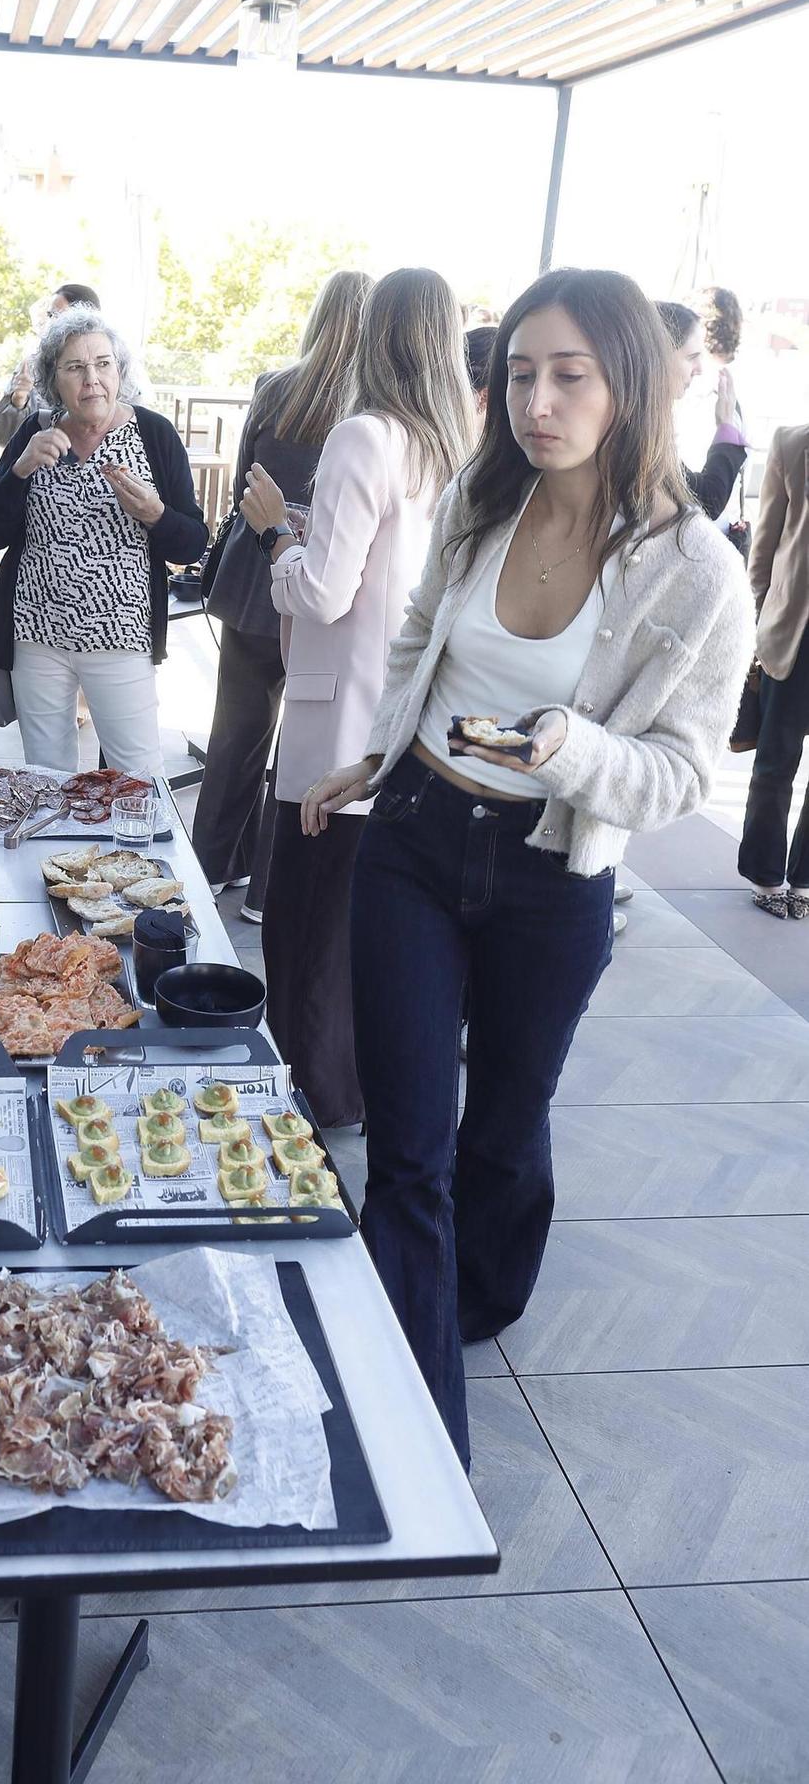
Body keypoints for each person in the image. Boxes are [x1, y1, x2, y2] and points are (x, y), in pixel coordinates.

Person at [303, 268, 754, 1465]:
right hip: (412, 839)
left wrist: (571, 748)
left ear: (631, 387)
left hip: (552, 875)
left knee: (503, 1128)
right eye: (516, 375)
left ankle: (480, 1291)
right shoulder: (476, 501)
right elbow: (415, 636)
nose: (535, 402)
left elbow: (676, 771)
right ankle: (408, 1437)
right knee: (410, 1148)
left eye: (569, 375)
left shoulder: (694, 569)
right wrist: (377, 750)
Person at [240, 269, 470, 1130]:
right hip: (406, 718)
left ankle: (312, 1098)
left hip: (334, 721)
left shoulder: (364, 436)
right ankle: (351, 1092)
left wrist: (274, 538)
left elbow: (325, 594)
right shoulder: (454, 444)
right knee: (360, 933)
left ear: (374, 335)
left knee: (301, 933)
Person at [193, 270, 373, 926]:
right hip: (321, 586)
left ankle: (211, 866)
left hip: (249, 578)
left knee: (235, 731)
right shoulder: (369, 414)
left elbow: (245, 482)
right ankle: (269, 890)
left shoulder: (274, 387)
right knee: (297, 746)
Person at [0, 306, 206, 777]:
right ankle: (55, 855)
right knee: (47, 776)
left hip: (120, 636)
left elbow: (192, 543)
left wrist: (156, 515)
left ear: (120, 371)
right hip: (37, 635)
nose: (92, 380)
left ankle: (134, 853)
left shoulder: (152, 434)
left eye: (103, 364)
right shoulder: (34, 433)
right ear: (53, 379)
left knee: (137, 776)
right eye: (75, 368)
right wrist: (18, 473)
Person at [738, 420, 809, 917]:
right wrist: (754, 617)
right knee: (775, 760)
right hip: (794, 630)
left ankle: (804, 880)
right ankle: (765, 875)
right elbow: (764, 543)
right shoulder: (793, 442)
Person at [656, 300, 747, 520]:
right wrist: (726, 427)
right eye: (691, 358)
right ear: (659, 356)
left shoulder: (641, 417)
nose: (699, 370)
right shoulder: (635, 428)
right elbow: (705, 501)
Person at [0, 284, 102, 448]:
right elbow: (2, 437)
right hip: (37, 470)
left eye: (58, 315)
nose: (51, 322)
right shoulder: (30, 366)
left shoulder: (113, 369)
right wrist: (18, 401)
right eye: (50, 315)